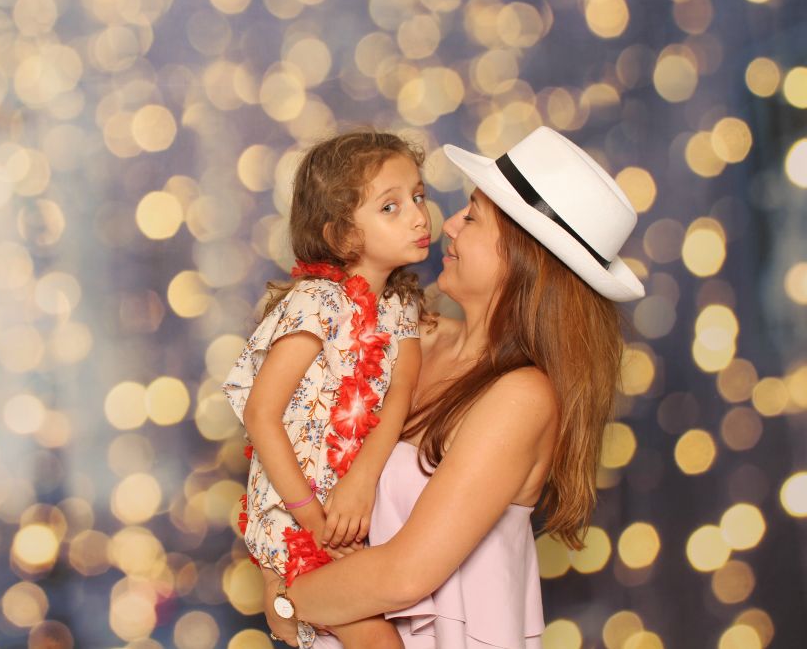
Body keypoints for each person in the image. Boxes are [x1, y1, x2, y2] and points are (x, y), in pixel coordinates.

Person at [263, 126, 646, 648]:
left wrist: (287, 598)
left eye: (473, 216)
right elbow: (290, 440)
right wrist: (278, 562)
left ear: (524, 257)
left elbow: (405, 574)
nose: (447, 223)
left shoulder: (522, 397)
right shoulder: (405, 337)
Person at [223, 131, 435, 648]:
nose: (419, 217)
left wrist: (361, 481)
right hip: (296, 516)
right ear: (341, 236)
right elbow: (261, 415)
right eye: (391, 206)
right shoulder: (315, 302)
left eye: (419, 196)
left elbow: (400, 394)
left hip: (354, 516)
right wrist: (312, 519)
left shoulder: (401, 308)